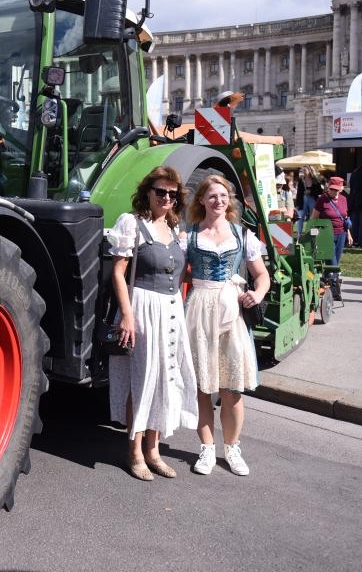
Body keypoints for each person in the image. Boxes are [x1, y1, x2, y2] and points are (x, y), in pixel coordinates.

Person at [107, 167, 198, 481]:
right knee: (143, 381)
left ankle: (154, 450)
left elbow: (178, 274)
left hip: (171, 309)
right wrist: (128, 315)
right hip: (143, 307)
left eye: (172, 194)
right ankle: (134, 452)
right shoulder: (132, 223)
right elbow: (118, 272)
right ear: (147, 191)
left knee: (166, 380)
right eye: (161, 192)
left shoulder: (174, 229)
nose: (167, 198)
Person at [184, 175, 270, 476]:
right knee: (202, 387)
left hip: (231, 311)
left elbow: (262, 276)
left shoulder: (242, 234)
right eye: (212, 196)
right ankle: (207, 449)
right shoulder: (190, 235)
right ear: (202, 201)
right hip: (198, 310)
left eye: (223, 196)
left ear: (229, 200)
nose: (218, 201)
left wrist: (255, 295)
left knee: (232, 388)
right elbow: (179, 276)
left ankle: (232, 449)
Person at [311, 176, 353, 284]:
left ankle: (326, 282)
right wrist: (314, 235)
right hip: (326, 235)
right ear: (328, 187)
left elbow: (345, 217)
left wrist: (348, 234)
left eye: (336, 189)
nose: (334, 191)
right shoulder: (322, 199)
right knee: (332, 262)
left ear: (341, 189)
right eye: (332, 189)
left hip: (341, 234)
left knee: (335, 262)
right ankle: (335, 287)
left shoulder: (344, 199)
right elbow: (313, 219)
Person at [295, 166, 324, 236]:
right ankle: (299, 235)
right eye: (303, 170)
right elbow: (298, 193)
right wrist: (297, 204)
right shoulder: (301, 180)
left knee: (313, 217)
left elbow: (320, 191)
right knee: (300, 217)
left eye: (305, 170)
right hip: (303, 200)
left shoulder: (315, 180)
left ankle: (313, 235)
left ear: (309, 171)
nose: (303, 172)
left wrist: (310, 192)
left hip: (312, 199)